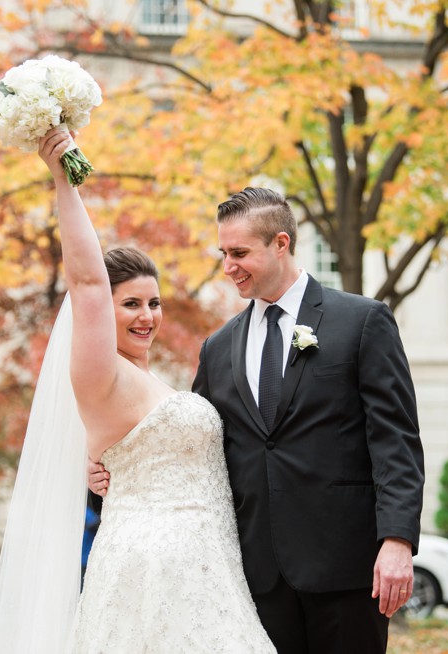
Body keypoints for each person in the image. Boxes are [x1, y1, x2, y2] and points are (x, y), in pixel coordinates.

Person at [92, 187, 425, 653]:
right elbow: (196, 448)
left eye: (240, 253)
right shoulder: (219, 347)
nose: (228, 266)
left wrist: (397, 541)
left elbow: (396, 441)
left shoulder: (362, 322)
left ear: (281, 244)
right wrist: (109, 466)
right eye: (224, 253)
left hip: (346, 568)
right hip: (253, 579)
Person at [0, 130, 275, 653]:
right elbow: (88, 285)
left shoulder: (152, 381)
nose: (148, 317)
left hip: (212, 568)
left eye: (154, 303)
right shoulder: (101, 379)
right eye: (132, 305)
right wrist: (63, 180)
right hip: (150, 568)